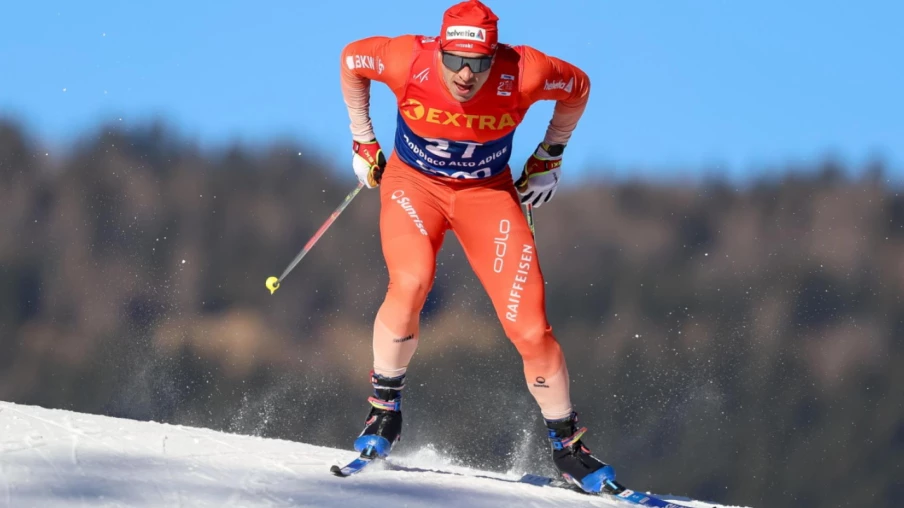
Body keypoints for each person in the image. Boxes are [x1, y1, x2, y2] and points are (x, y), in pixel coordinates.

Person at [338, 0, 614, 493]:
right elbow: (352, 60)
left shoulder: (525, 70)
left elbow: (579, 87)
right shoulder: (407, 59)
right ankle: (383, 412)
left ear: (495, 55)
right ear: (439, 49)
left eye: (479, 63)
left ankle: (569, 448)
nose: (466, 74)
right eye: (455, 60)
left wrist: (550, 155)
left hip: (486, 194)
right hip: (413, 186)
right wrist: (363, 140)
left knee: (531, 328)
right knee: (411, 282)